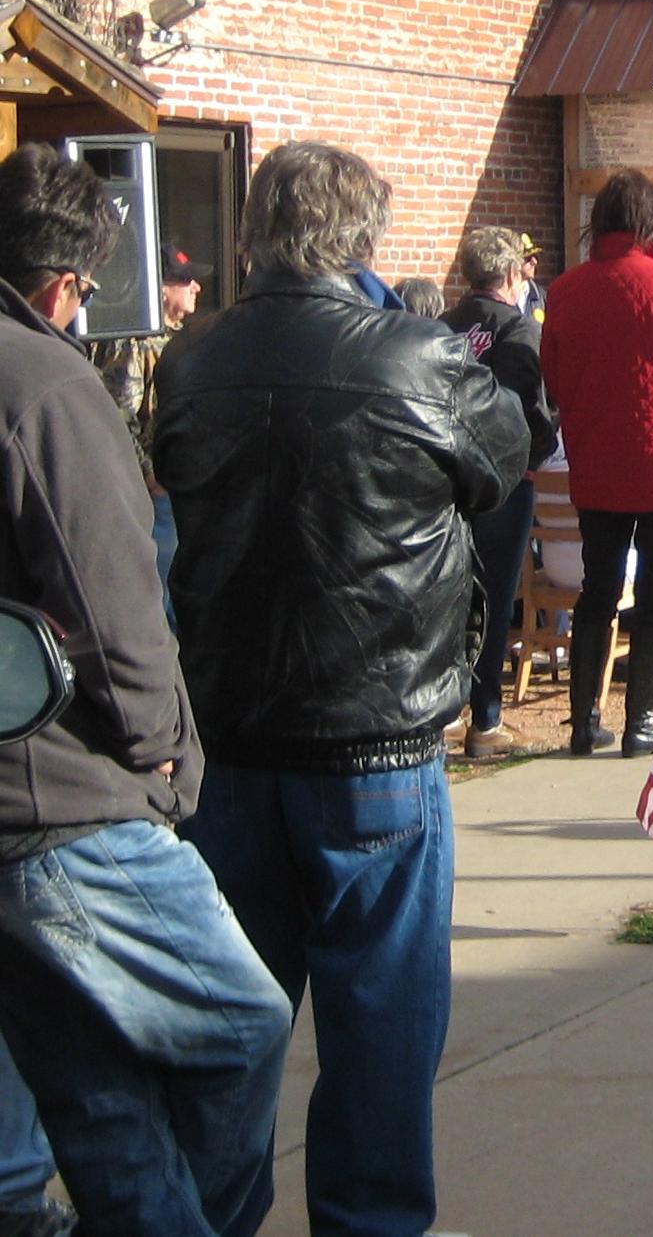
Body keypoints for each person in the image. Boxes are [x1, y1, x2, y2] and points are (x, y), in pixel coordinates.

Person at [155, 140, 528, 1237]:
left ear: (251, 236)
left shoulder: (194, 358)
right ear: (362, 241)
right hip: (372, 750)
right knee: (377, 1036)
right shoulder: (411, 357)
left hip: (235, 746)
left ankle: (209, 1218)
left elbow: (498, 449)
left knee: (230, 1030)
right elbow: (504, 453)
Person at [0, 144, 291, 1237]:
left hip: (25, 802)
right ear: (68, 286)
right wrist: (166, 752)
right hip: (63, 795)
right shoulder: (43, 385)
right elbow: (112, 594)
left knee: (88, 1077)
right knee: (241, 1024)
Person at [541, 168, 653, 756]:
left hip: (599, 462)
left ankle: (584, 722)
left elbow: (555, 380)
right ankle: (641, 721)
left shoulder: (565, 291)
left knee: (599, 586)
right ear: (649, 222)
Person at [442, 226, 561, 758]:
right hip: (503, 485)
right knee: (492, 601)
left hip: (446, 483)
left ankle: (446, 712)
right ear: (513, 275)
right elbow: (528, 413)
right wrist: (541, 449)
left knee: (450, 597)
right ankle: (485, 721)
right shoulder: (519, 331)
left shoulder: (439, 330)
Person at [88, 243, 210, 628]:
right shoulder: (133, 340)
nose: (197, 289)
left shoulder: (175, 337)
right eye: (185, 281)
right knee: (160, 596)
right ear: (160, 288)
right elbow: (118, 411)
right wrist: (148, 473)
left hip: (172, 483)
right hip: (152, 491)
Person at [517, 231, 546, 323]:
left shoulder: (541, 297)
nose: (534, 262)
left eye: (535, 257)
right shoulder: (500, 296)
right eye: (528, 258)